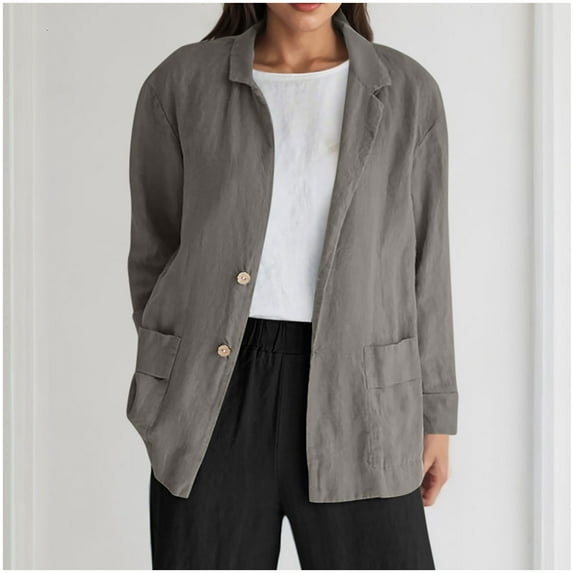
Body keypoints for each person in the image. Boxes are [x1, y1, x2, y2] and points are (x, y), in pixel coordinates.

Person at [127, 2, 458, 569]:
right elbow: (155, 250)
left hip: (364, 397)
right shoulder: (180, 84)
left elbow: (427, 262)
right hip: (212, 395)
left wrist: (436, 413)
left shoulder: (408, 90)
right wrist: (168, 379)